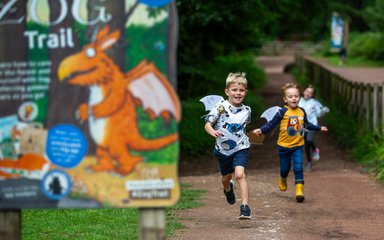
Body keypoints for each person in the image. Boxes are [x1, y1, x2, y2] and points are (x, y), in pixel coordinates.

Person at [252, 83, 328, 203]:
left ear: (299, 97)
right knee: (285, 169)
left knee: (298, 167)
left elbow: (307, 125)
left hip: (298, 145)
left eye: (296, 96)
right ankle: (283, 178)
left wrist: (319, 128)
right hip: (284, 146)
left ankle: (299, 191)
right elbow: (271, 124)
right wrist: (261, 130)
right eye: (291, 96)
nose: (294, 98)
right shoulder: (282, 112)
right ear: (285, 99)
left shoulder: (302, 111)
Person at [204, 72, 252, 219]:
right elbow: (207, 124)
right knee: (226, 178)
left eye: (241, 90)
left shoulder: (247, 110)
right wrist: (212, 132)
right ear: (227, 91)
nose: (238, 93)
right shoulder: (220, 107)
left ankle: (245, 206)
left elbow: (243, 128)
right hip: (222, 150)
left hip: (241, 148)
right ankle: (228, 188)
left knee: (239, 174)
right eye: (234, 90)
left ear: (245, 92)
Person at [298, 85, 330, 171]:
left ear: (312, 95)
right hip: (301, 126)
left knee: (309, 140)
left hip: (312, 124)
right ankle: (309, 163)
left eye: (310, 93)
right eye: (307, 91)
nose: (308, 94)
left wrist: (324, 111)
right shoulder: (298, 100)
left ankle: (315, 149)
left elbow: (319, 114)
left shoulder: (314, 102)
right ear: (303, 91)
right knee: (305, 145)